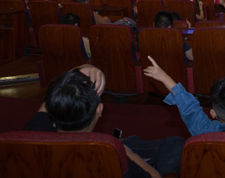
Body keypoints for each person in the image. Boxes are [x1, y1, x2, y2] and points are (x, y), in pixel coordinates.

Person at [24, 66, 184, 178]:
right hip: (121, 151)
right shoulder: (110, 152)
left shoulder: (33, 134)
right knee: (177, 146)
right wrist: (126, 152)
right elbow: (154, 176)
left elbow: (50, 98)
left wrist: (82, 69)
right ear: (99, 110)